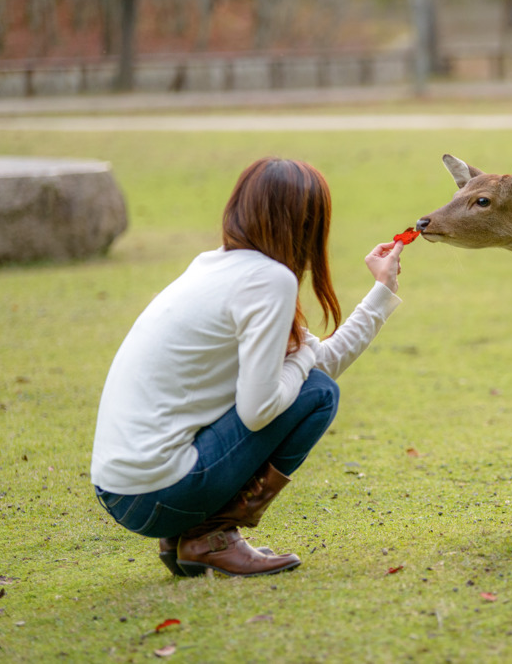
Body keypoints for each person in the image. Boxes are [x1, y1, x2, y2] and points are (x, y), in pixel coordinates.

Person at [91, 157, 404, 578]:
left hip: (122, 489)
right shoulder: (269, 280)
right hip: (156, 494)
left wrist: (381, 291)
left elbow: (319, 360)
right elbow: (266, 405)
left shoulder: (215, 266)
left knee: (311, 384)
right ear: (307, 223)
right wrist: (306, 359)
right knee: (318, 394)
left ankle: (193, 533)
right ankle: (211, 536)